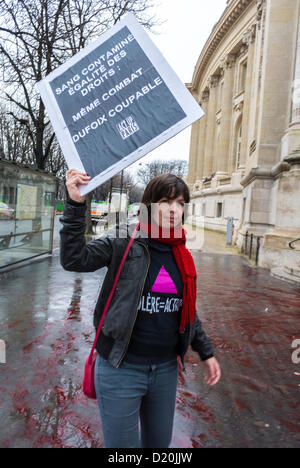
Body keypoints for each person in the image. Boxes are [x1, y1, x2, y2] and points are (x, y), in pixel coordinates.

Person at [60, 169, 221, 448]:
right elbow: (74, 259)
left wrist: (206, 352)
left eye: (180, 203)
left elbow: (185, 310)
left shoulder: (181, 252)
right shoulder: (124, 241)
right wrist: (75, 205)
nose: (173, 209)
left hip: (166, 370)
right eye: (166, 202)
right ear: (149, 205)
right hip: (121, 367)